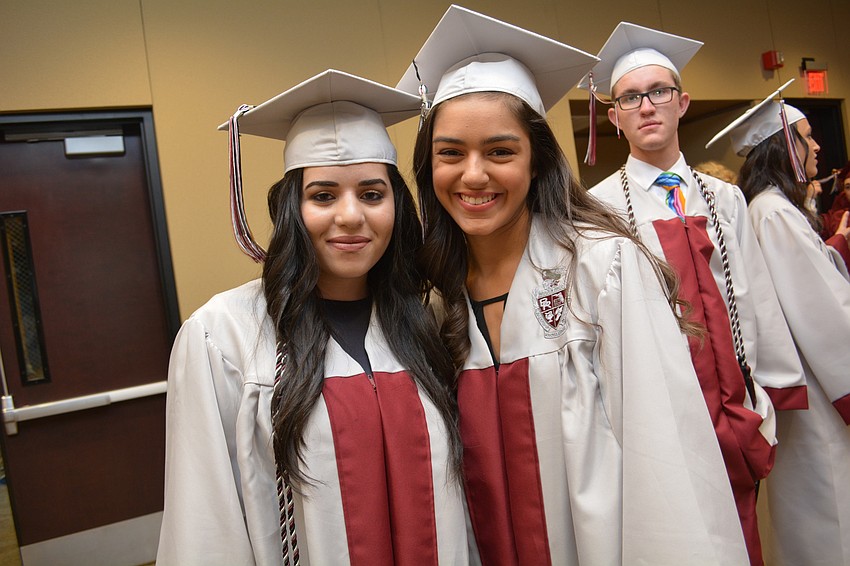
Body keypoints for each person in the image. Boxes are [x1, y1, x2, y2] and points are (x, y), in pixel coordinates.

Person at [398, 6, 751, 564]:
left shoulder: (602, 269)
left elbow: (667, 460)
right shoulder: (433, 295)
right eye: (450, 154)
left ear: (537, 159)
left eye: (499, 151)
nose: (473, 175)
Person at [156, 70, 470, 565]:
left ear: (397, 206)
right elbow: (206, 522)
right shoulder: (224, 336)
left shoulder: (427, 320)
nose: (350, 216)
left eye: (372, 194)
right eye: (323, 196)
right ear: (291, 209)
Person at [585, 24, 806, 566]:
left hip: (737, 405)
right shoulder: (597, 209)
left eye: (659, 91)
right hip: (661, 408)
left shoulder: (726, 198)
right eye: (630, 98)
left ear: (682, 103)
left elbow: (752, 297)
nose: (647, 106)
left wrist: (769, 393)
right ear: (614, 117)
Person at [712, 93, 850, 565]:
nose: (817, 149)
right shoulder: (772, 211)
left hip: (815, 387)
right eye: (807, 138)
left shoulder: (774, 209)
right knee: (828, 518)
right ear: (784, 147)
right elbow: (821, 311)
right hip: (819, 391)